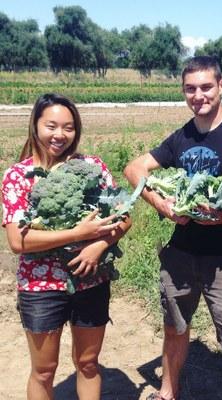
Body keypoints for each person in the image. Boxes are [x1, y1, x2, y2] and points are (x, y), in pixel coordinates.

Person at [124, 56, 222, 400]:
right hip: (180, 255)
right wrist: (162, 205)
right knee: (174, 329)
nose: (198, 95)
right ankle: (167, 393)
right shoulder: (181, 138)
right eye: (190, 89)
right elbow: (134, 170)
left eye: (206, 87)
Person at [1, 93, 132, 400]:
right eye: (51, 126)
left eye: (68, 127)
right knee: (44, 371)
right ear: (35, 126)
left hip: (91, 280)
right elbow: (18, 241)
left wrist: (98, 244)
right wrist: (77, 233)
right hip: (40, 286)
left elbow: (123, 218)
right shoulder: (18, 177)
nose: (60, 134)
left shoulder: (92, 167)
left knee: (87, 364)